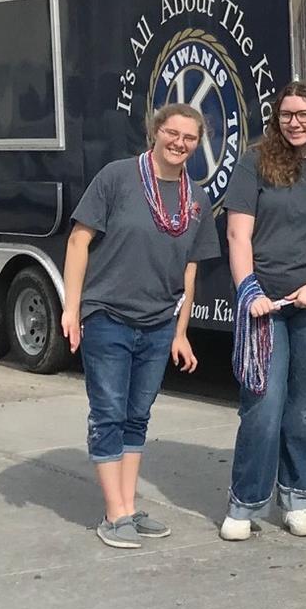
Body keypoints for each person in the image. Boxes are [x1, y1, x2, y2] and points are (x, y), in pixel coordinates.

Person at [63, 104, 220, 549]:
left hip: (157, 323)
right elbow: (79, 240)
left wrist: (181, 331)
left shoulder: (195, 199)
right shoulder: (117, 177)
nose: (180, 143)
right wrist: (72, 309)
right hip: (108, 316)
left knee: (137, 415)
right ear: (156, 131)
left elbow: (190, 270)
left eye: (190, 138)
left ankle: (128, 507)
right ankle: (114, 515)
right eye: (172, 133)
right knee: (109, 413)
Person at [219, 81, 306, 542]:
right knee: (263, 406)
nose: (295, 122)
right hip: (263, 305)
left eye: (304, 114)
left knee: (305, 407)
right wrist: (249, 291)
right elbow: (238, 236)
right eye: (287, 114)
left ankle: (298, 499)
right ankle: (244, 503)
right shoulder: (254, 162)